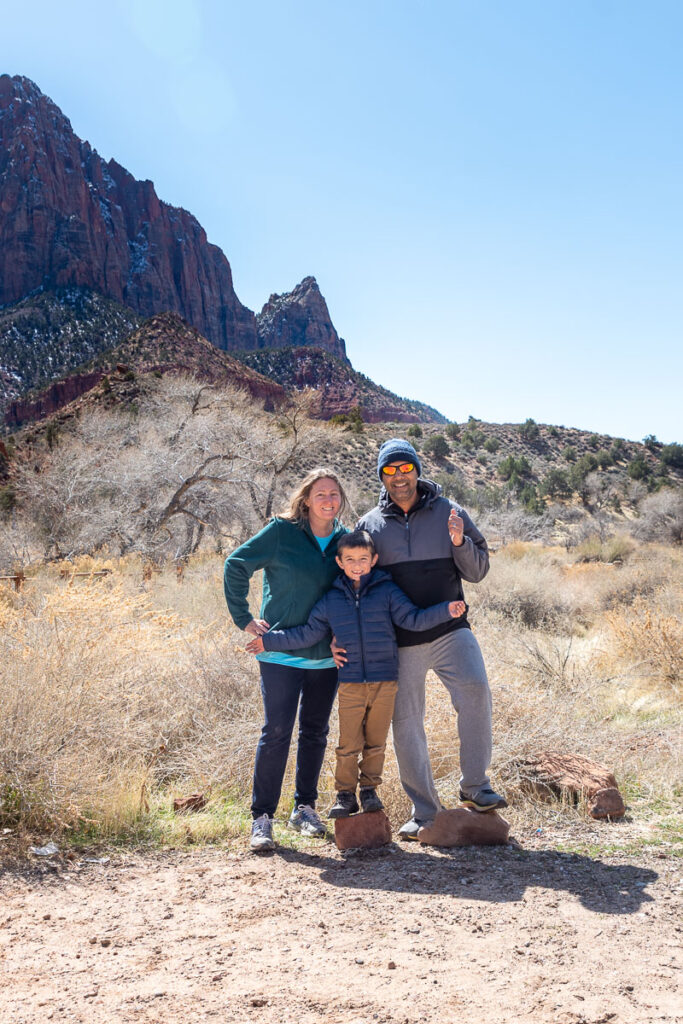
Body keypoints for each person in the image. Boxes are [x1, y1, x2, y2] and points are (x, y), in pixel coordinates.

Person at [246, 530, 466, 819]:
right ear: (339, 562)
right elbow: (309, 633)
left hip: (385, 681)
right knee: (348, 743)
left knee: (376, 741)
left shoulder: (388, 591)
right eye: (350, 559)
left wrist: (446, 610)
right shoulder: (330, 600)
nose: (357, 565)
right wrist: (269, 641)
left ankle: (370, 791)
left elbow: (412, 618)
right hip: (349, 683)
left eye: (363, 558)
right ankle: (345, 795)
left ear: (374, 559)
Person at [355, 438, 507, 840]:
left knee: (475, 691)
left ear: (418, 470)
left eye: (405, 468)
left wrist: (458, 542)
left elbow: (477, 572)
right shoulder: (370, 526)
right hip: (400, 640)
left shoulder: (451, 512)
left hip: (450, 630)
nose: (399, 477)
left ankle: (476, 787)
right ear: (382, 477)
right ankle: (424, 811)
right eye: (390, 471)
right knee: (406, 722)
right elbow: (357, 585)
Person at [223, 468, 349, 852]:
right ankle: (262, 818)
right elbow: (236, 564)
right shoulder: (282, 532)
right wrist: (244, 619)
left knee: (315, 732)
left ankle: (304, 809)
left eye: (334, 494)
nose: (328, 500)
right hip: (278, 653)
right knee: (276, 732)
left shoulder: (346, 540)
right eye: (321, 494)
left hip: (326, 659)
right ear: (307, 499)